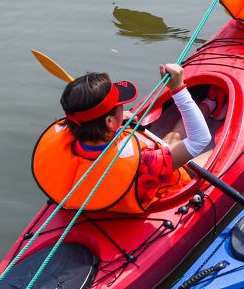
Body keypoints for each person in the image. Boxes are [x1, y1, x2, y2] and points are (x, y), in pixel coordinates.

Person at [32, 64, 213, 214]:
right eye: (119, 105)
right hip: (158, 185)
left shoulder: (72, 130)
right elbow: (200, 140)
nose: (123, 106)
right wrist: (178, 88)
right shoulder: (145, 164)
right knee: (214, 152)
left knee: (172, 137)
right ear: (109, 121)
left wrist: (117, 120)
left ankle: (208, 105)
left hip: (103, 196)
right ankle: (210, 105)